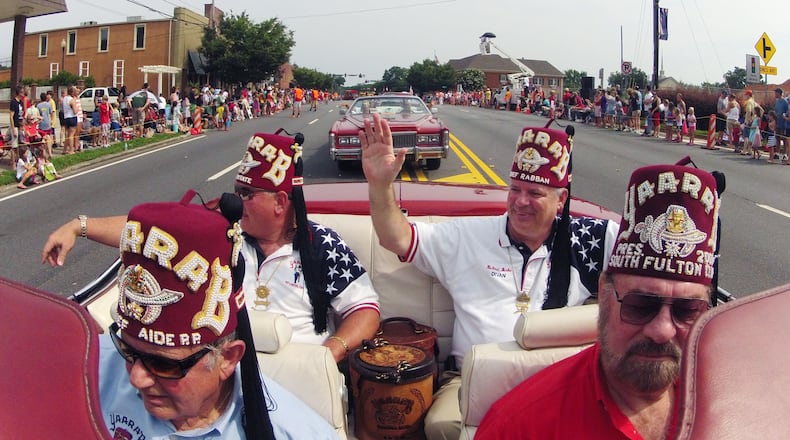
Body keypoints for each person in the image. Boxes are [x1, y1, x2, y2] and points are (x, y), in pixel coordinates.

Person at [361, 112, 619, 439]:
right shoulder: (468, 237)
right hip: (472, 379)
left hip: (557, 382)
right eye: (515, 190)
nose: (521, 202)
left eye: (535, 194)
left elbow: (650, 250)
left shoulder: (586, 241)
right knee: (442, 426)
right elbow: (396, 238)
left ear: (561, 200)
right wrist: (380, 185)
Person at [42, 131, 380, 364]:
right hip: (221, 370)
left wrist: (330, 352)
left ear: (280, 202)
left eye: (247, 195)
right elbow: (150, 233)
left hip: (300, 374)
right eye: (236, 190)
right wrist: (79, 226)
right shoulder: (222, 230)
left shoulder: (321, 245)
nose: (236, 200)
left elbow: (364, 311)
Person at [477, 162, 721, 440]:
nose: (663, 330)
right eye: (640, 306)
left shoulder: (732, 406)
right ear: (604, 294)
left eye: (687, 310)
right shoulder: (518, 427)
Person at [98, 192, 338, 439]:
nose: (137, 378)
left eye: (164, 365)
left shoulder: (296, 432)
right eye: (127, 351)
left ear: (227, 358)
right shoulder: (90, 369)